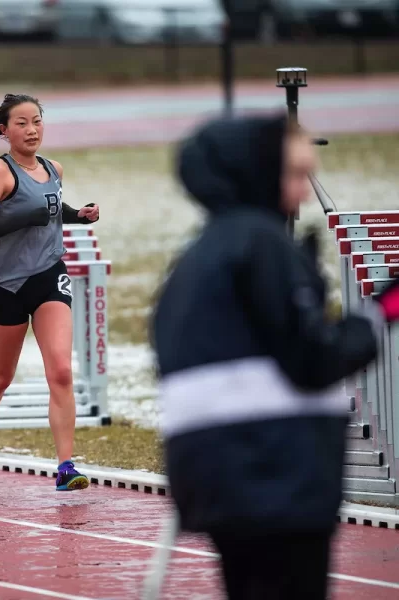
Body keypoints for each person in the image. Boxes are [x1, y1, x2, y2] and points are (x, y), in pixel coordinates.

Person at [150, 113, 399, 599]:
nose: (305, 192)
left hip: (219, 473)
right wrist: (375, 317)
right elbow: (313, 359)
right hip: (274, 473)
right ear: (256, 171)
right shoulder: (263, 245)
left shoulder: (196, 258)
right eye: (296, 175)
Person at [0, 93, 99, 492]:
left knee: (59, 370)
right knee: (2, 376)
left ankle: (66, 466)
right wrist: (25, 216)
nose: (32, 129)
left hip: (49, 276)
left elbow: (52, 210)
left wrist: (80, 216)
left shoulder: (53, 168)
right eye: (21, 123)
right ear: (4, 130)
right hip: (7, 284)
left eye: (37, 121)